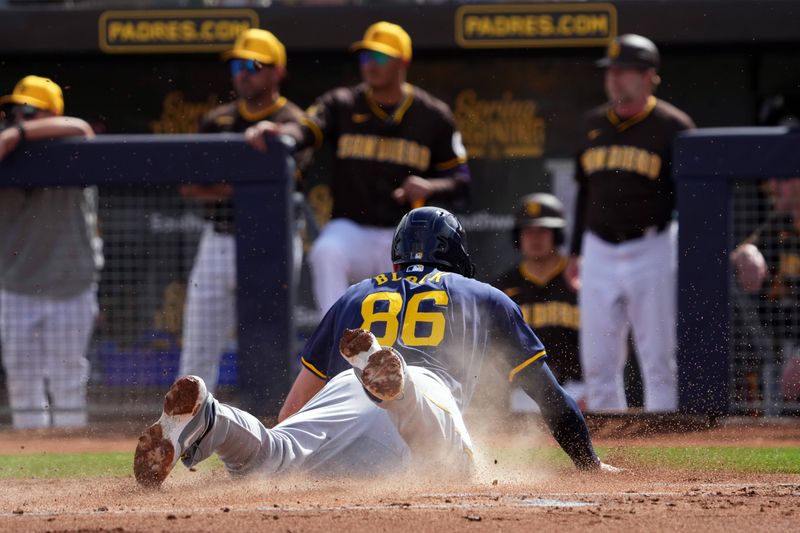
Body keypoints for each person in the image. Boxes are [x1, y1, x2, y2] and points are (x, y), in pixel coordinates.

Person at [134, 207, 617, 487]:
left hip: (347, 387)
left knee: (277, 453)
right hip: (425, 392)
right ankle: (398, 388)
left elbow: (297, 401)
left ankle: (216, 419)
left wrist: (284, 445)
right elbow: (550, 397)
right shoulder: (485, 296)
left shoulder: (357, 293)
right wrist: (588, 464)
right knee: (451, 471)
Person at [245, 21, 470, 315]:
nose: (370, 65)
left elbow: (461, 180)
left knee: (420, 296)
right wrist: (281, 134)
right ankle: (339, 338)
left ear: (402, 62)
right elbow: (307, 129)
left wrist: (431, 186)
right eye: (365, 58)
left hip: (406, 232)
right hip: (351, 228)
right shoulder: (342, 103)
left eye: (379, 58)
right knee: (327, 252)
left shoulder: (433, 114)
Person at [564, 34, 696, 412]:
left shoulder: (674, 126)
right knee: (599, 361)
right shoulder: (591, 124)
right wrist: (575, 252)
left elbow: (687, 199)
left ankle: (665, 453)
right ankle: (609, 454)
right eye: (612, 71)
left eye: (624, 71)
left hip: (651, 245)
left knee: (658, 358)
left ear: (649, 76)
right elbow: (583, 194)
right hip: (598, 248)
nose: (615, 79)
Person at [178, 28, 311, 394]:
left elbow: (283, 186)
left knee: (269, 342)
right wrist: (243, 186)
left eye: (254, 64)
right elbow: (189, 185)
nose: (243, 72)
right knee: (198, 345)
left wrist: (225, 186)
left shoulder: (295, 120)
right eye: (237, 64)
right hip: (221, 237)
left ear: (277, 71)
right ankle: (188, 425)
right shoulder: (217, 120)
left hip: (273, 244)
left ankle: (269, 427)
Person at [0, 75, 101, 429]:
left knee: (68, 379)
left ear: (52, 113)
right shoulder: (6, 151)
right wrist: (14, 138)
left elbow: (80, 127)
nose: (19, 119)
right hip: (16, 286)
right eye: (14, 113)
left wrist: (20, 135)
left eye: (29, 111)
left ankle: (70, 469)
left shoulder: (72, 144)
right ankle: (34, 471)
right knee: (22, 381)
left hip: (69, 284)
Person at [495, 193, 584, 411]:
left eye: (543, 231)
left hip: (580, 388)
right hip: (525, 392)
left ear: (557, 235)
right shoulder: (505, 286)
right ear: (518, 236)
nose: (535, 239)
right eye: (528, 231)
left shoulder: (578, 280)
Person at [731, 177, 800, 401]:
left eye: (784, 179)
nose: (773, 185)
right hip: (783, 339)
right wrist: (747, 252)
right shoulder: (781, 223)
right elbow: (745, 248)